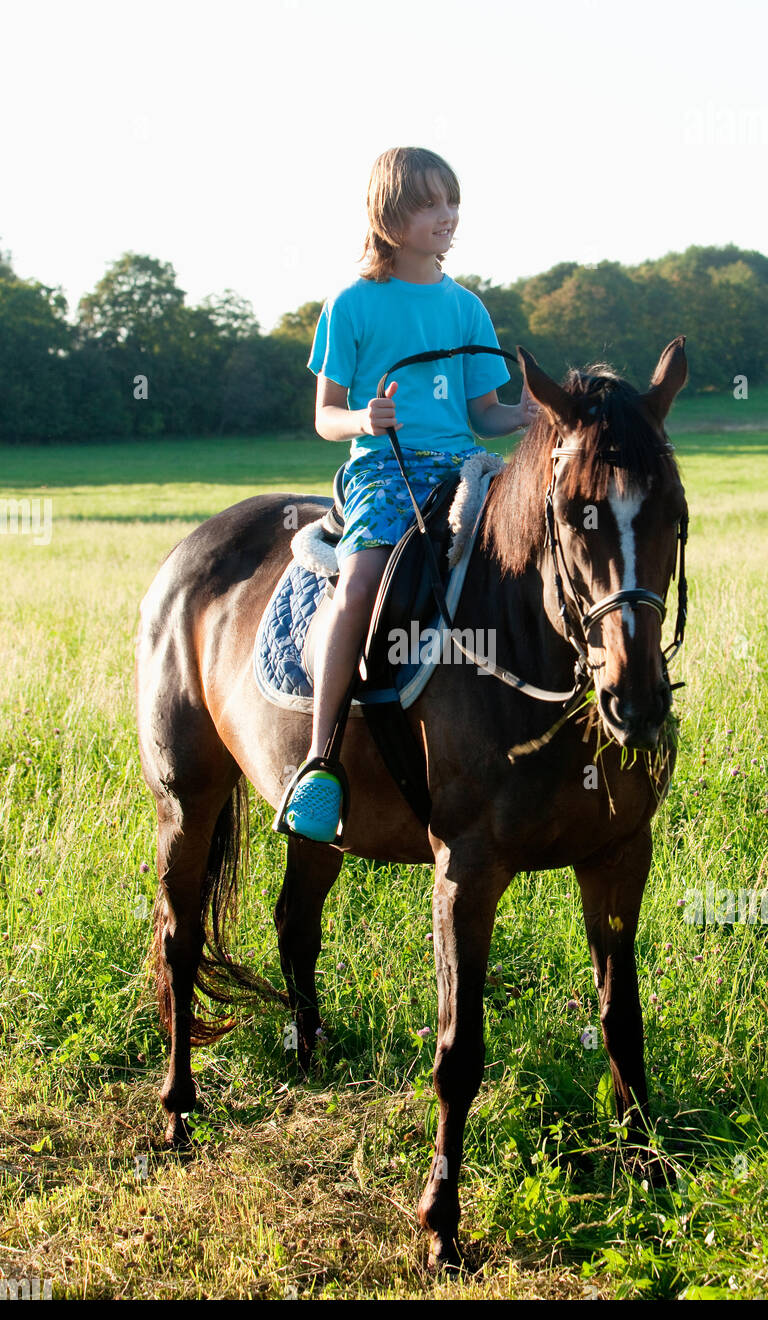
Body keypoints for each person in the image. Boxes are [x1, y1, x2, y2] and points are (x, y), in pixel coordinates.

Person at [280, 146, 538, 841]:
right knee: (361, 583)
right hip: (385, 469)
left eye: (451, 201)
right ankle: (319, 764)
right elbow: (324, 415)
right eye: (428, 204)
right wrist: (364, 418)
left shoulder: (466, 307)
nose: (447, 216)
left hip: (465, 468)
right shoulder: (352, 304)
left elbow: (482, 410)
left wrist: (519, 417)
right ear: (389, 215)